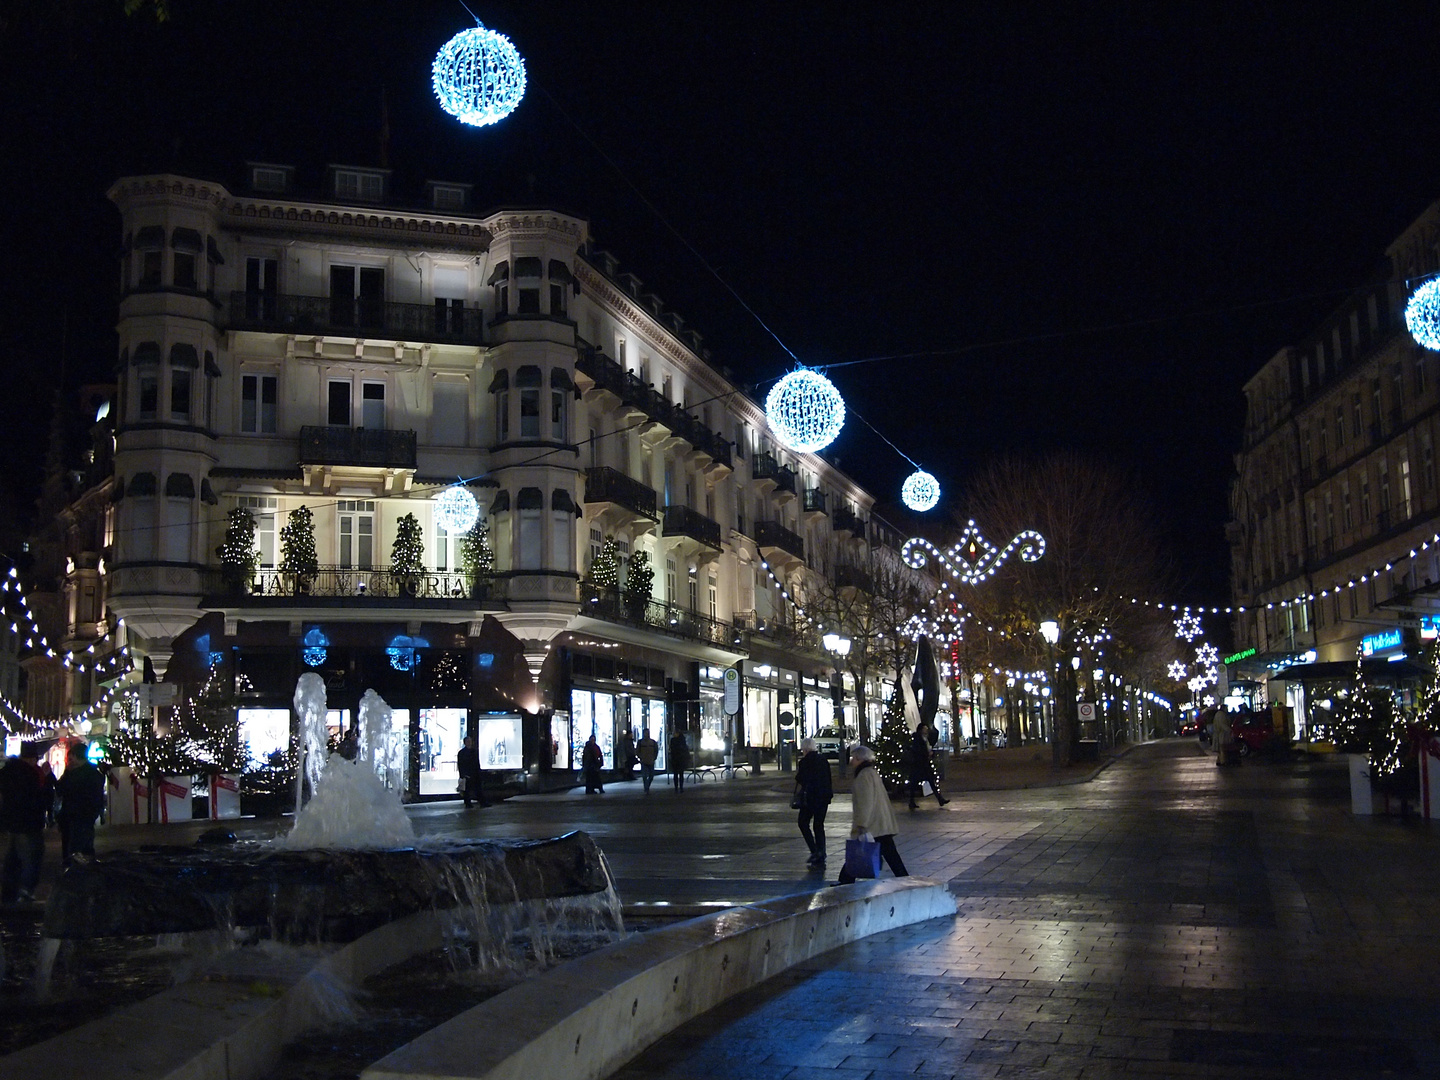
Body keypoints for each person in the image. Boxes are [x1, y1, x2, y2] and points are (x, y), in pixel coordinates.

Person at [838, 745, 908, 884]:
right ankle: (845, 879)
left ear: (859, 759)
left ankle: (845, 880)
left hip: (873, 825)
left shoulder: (863, 776)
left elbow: (865, 802)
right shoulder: (872, 772)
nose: (851, 762)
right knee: (890, 854)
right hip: (881, 823)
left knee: (861, 851)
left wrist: (861, 824)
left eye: (853, 758)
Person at [0, 743, 47, 903]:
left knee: (13, 857)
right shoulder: (29, 774)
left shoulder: (7, 772)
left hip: (12, 822)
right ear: (32, 758)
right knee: (30, 857)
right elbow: (35, 799)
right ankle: (26, 890)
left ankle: (9, 889)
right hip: (28, 823)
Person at [55, 743, 106, 869]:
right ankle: (86, 871)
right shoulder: (95, 774)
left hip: (74, 816)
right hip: (86, 816)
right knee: (86, 847)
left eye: (71, 758)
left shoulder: (74, 775)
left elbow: (60, 789)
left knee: (74, 849)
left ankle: (75, 874)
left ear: (75, 757)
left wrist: (67, 772)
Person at [793, 737, 833, 866]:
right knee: (818, 825)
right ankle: (821, 851)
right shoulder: (823, 760)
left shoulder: (804, 762)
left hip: (810, 798)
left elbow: (801, 779)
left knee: (803, 822)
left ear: (805, 749)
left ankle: (815, 850)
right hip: (824, 797)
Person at [907, 723, 949, 809]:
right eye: (925, 729)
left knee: (930, 781)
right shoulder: (918, 739)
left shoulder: (925, 739)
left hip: (924, 764)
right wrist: (927, 754)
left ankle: (940, 799)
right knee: (916, 783)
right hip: (919, 764)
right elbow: (918, 751)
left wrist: (930, 753)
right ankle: (912, 801)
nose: (926, 731)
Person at [457, 736, 486, 807]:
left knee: (477, 788)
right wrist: (463, 774)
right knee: (468, 789)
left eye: (470, 741)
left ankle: (481, 802)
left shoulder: (473, 751)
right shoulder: (463, 753)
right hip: (468, 773)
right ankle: (469, 803)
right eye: (468, 741)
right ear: (465, 743)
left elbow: (477, 763)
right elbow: (461, 764)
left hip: (474, 773)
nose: (469, 743)